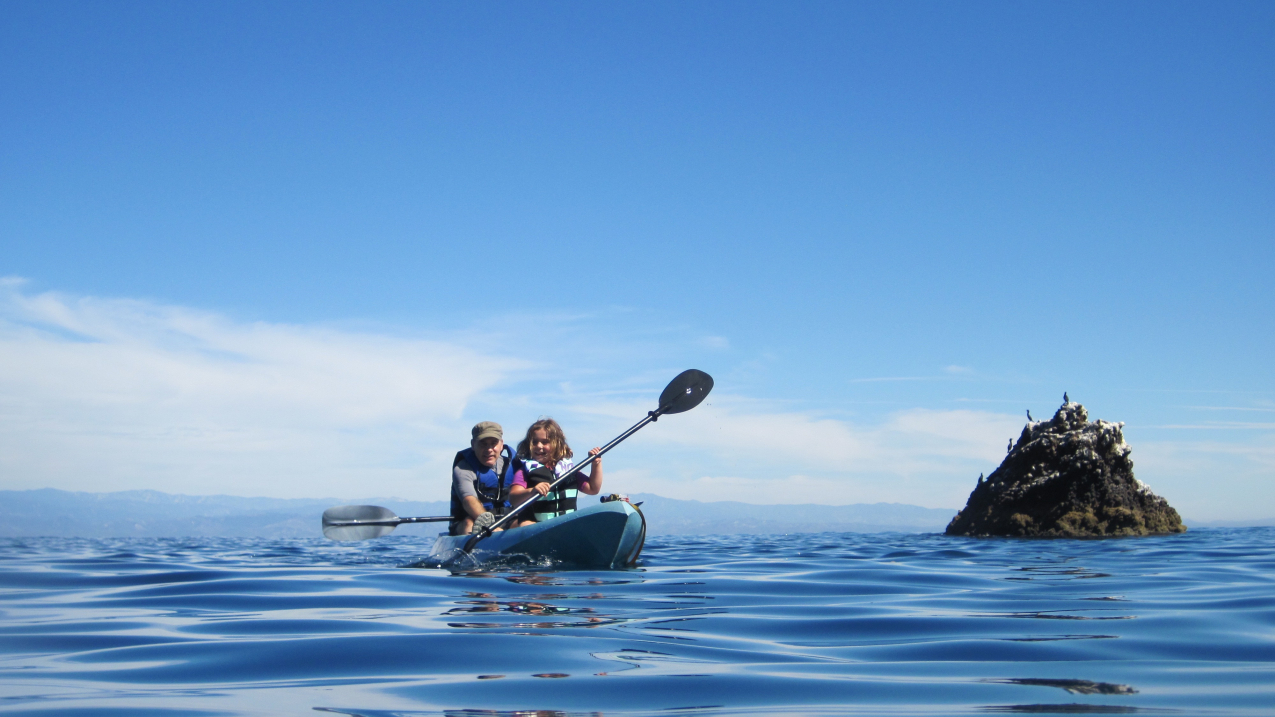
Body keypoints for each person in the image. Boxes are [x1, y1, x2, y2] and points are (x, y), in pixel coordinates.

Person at [512, 418, 604, 526]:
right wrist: (532, 491)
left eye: (545, 442)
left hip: (566, 526)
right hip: (538, 528)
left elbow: (593, 489)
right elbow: (513, 498)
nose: (539, 446)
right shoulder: (524, 471)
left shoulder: (568, 470)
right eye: (535, 442)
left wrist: (596, 464)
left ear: (557, 444)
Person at [449, 421, 532, 536]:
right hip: (472, 520)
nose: (489, 449)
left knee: (526, 525)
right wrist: (490, 525)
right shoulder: (463, 468)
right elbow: (469, 500)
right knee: (469, 524)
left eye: (494, 443)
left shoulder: (516, 465)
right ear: (473, 444)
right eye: (483, 444)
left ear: (501, 444)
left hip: (506, 518)